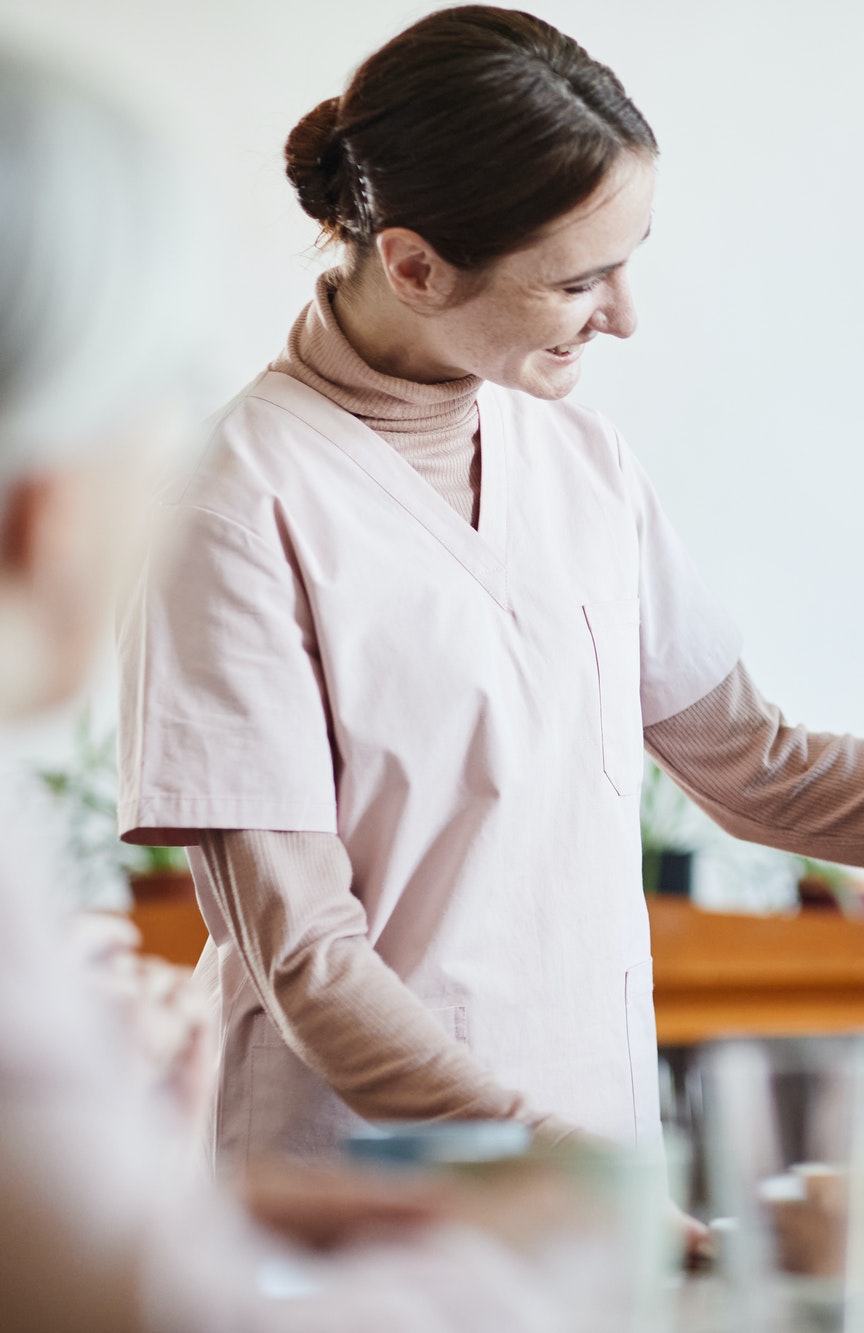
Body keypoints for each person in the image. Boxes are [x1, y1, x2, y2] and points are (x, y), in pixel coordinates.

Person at [117, 5, 864, 1172]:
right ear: (413, 264)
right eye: (577, 283)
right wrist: (568, 1170)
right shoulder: (234, 504)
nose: (625, 317)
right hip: (357, 1187)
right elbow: (309, 959)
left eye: (630, 262)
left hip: (593, 1172)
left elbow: (764, 772)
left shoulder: (582, 466)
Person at [0, 49, 654, 1332]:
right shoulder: (251, 484)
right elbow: (130, 1295)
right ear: (46, 507)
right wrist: (546, 1231)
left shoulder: (569, 458)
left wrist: (192, 1191)